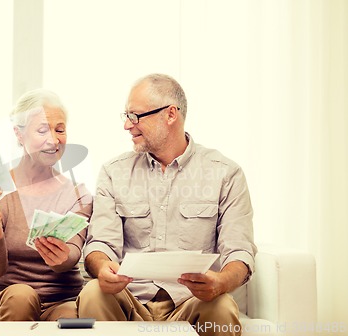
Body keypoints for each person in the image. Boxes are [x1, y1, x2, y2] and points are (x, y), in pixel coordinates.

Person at [77, 74, 256, 336]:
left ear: (170, 114)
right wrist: (103, 267)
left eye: (135, 116)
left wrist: (219, 282)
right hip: (130, 300)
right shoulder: (114, 172)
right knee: (94, 292)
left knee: (221, 307)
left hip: (191, 301)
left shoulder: (225, 174)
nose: (128, 125)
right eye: (126, 115)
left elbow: (239, 252)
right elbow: (100, 244)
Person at [0, 89, 92, 323]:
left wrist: (62, 257)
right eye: (42, 130)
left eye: (60, 129)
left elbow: (73, 254)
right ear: (19, 134)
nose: (54, 140)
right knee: (21, 296)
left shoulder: (78, 193)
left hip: (61, 300)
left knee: (75, 319)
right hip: (4, 299)